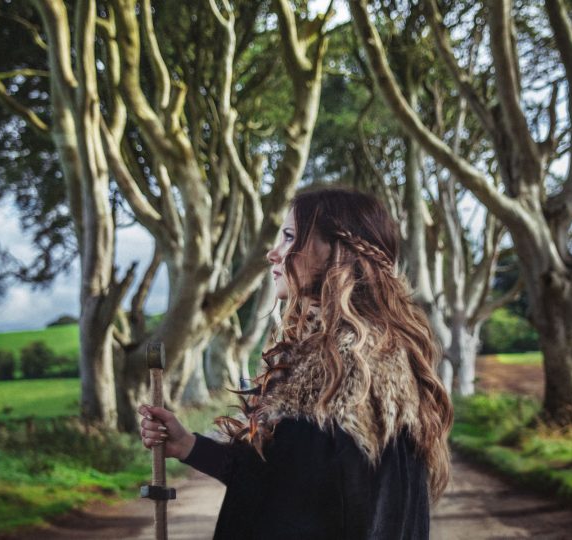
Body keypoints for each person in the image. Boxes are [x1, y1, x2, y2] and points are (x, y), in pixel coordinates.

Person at [139, 188, 454, 539]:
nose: (274, 254)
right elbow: (284, 484)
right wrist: (189, 446)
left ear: (338, 254)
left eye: (290, 237)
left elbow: (364, 517)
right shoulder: (316, 355)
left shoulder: (358, 366)